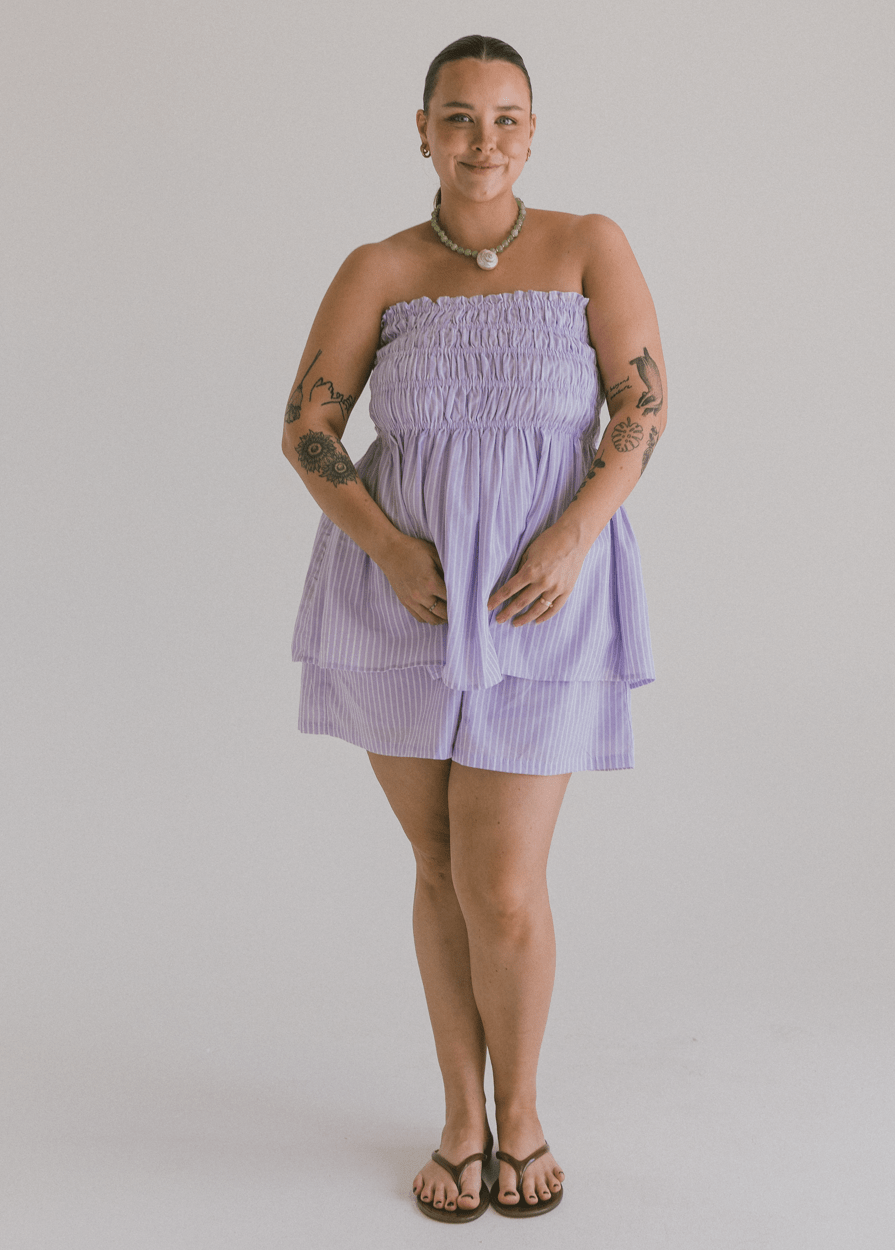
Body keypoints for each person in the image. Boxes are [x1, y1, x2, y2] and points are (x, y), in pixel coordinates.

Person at [282, 34, 665, 1221]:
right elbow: (307, 427)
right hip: (402, 601)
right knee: (439, 865)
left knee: (500, 880)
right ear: (422, 130)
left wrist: (574, 535)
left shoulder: (589, 244)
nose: (481, 140)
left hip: (542, 603)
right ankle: (461, 1118)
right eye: (458, 117)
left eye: (504, 119)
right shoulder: (381, 267)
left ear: (532, 132)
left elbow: (642, 407)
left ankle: (524, 1112)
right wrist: (391, 549)